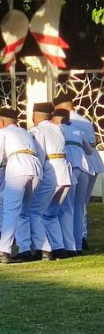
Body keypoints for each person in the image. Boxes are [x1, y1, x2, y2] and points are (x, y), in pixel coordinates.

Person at [0, 107, 42, 263]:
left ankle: (3, 250)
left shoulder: (1, 132)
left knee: (10, 210)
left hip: (17, 167)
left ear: (1, 121)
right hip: (35, 169)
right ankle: (25, 249)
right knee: (24, 212)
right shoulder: (26, 132)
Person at [53, 93, 102, 251]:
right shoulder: (84, 121)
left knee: (68, 206)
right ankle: (81, 239)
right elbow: (92, 144)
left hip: (73, 166)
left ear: (59, 108)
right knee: (81, 206)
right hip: (90, 166)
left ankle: (73, 241)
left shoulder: (63, 124)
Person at [28, 102, 72, 260]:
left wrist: (36, 176)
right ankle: (59, 247)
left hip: (50, 172)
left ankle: (44, 249)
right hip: (65, 173)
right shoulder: (57, 128)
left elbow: (39, 155)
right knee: (50, 215)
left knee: (34, 212)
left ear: (35, 115)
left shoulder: (37, 130)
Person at [56, 108, 91, 257]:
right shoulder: (78, 130)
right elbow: (89, 151)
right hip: (84, 169)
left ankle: (68, 246)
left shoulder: (57, 129)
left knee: (66, 209)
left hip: (70, 168)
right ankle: (78, 245)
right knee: (78, 209)